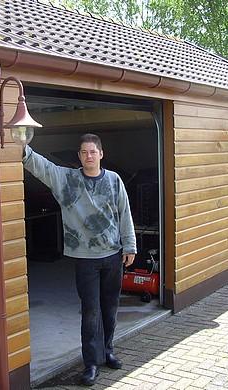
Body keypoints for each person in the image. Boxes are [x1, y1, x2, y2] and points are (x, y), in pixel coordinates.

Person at [23, 133, 136, 386]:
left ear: (101, 154)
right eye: (84, 152)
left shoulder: (114, 180)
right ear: (79, 156)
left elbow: (124, 213)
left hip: (113, 255)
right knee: (90, 312)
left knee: (110, 309)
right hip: (85, 259)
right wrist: (23, 148)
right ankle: (91, 363)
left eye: (93, 152)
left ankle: (108, 351)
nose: (89, 156)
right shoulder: (68, 180)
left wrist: (130, 246)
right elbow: (43, 167)